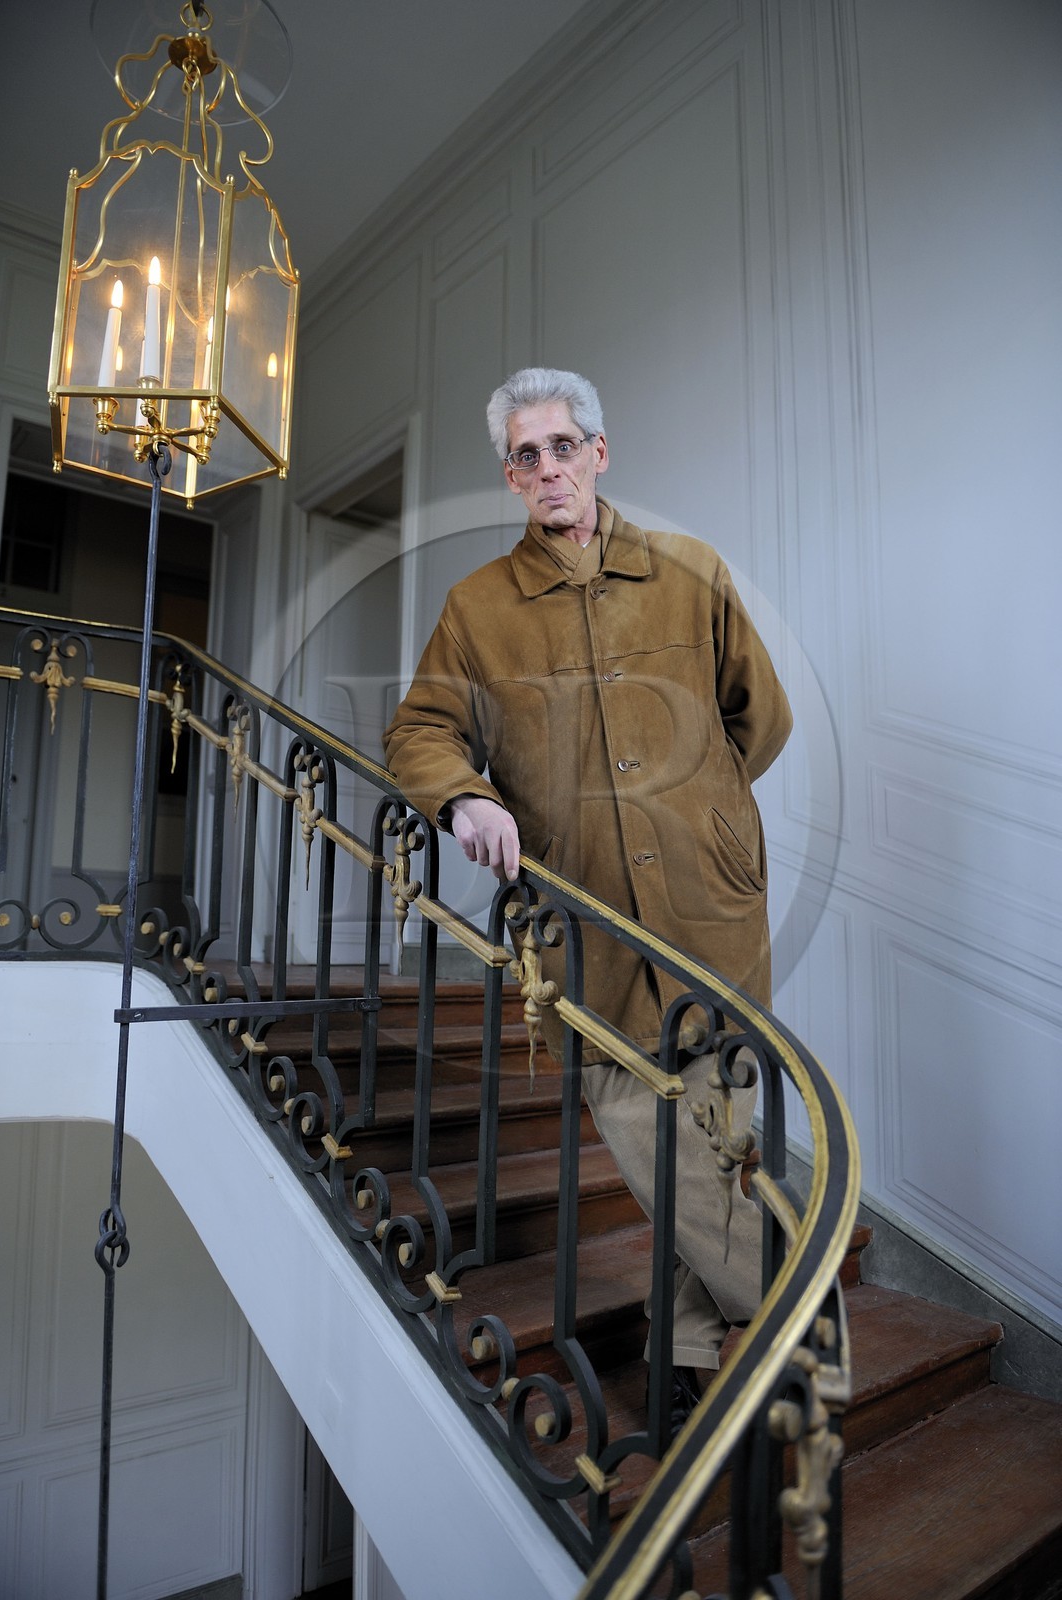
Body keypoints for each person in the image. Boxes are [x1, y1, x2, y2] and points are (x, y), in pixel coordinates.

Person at [384, 367, 792, 1430]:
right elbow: (419, 731)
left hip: (711, 916)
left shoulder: (689, 572)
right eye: (525, 453)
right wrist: (465, 796)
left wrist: (689, 809)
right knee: (669, 1157)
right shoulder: (477, 609)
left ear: (599, 453)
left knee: (716, 1149)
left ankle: (690, 1372)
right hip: (584, 942)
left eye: (562, 445)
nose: (546, 467)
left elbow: (761, 719)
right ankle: (797, 1323)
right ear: (509, 475)